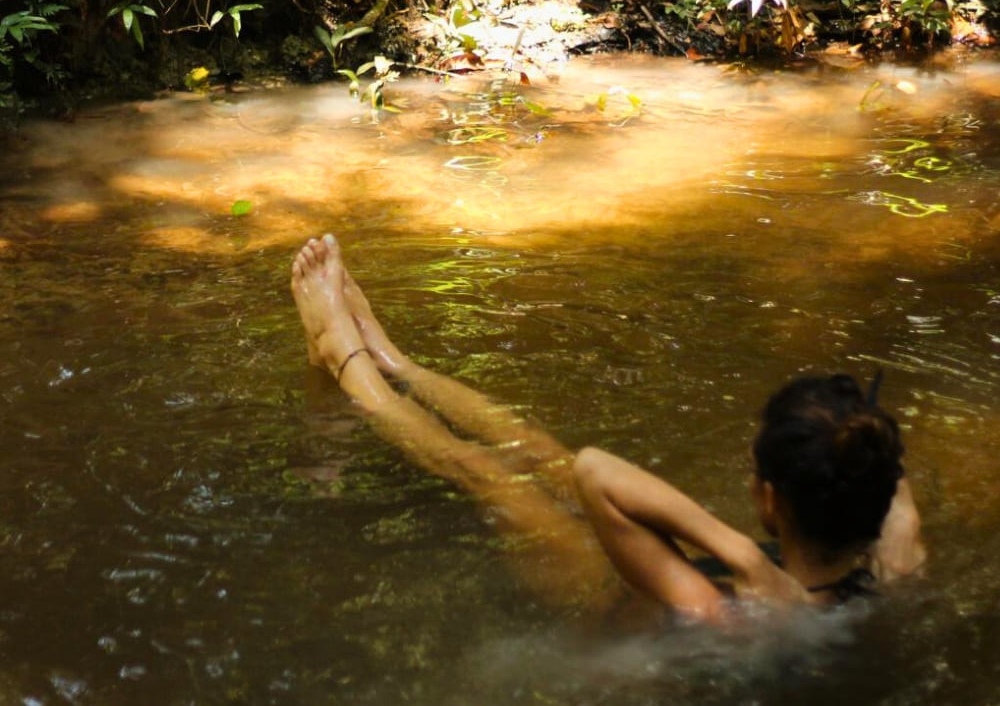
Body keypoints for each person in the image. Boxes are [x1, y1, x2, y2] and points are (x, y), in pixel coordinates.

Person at [290, 234, 926, 625]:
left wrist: (740, 558)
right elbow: (883, 473)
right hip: (695, 574)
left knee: (488, 475)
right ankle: (396, 360)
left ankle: (343, 358)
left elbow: (599, 470)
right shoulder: (895, 566)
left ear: (765, 500)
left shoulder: (724, 613)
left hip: (621, 609)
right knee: (540, 452)